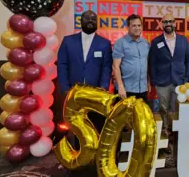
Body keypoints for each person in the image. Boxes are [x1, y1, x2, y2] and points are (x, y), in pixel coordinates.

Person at [57, 10, 112, 147]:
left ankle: (92, 150)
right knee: (74, 124)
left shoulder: (104, 43)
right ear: (80, 21)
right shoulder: (68, 41)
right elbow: (62, 65)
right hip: (72, 92)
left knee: (93, 122)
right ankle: (75, 151)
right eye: (86, 18)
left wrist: (103, 89)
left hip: (94, 93)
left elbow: (106, 67)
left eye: (93, 19)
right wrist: (64, 87)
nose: (90, 21)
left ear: (97, 23)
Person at [149, 14, 189, 147]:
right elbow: (152, 62)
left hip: (180, 81)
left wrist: (187, 79)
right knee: (163, 109)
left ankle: (177, 136)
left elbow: (188, 61)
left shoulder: (183, 40)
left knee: (177, 109)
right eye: (165, 21)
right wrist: (154, 80)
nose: (168, 23)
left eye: (171, 21)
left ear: (175, 23)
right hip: (162, 82)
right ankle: (165, 136)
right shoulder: (156, 42)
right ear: (162, 24)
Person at [113, 14, 151, 102]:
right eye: (134, 25)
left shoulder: (146, 43)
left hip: (142, 89)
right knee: (124, 116)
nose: (137, 28)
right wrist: (120, 87)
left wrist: (148, 81)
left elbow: (146, 64)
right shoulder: (120, 43)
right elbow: (115, 67)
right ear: (128, 27)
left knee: (141, 116)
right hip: (126, 90)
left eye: (139, 25)